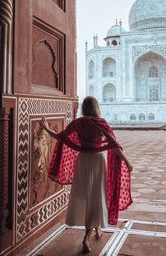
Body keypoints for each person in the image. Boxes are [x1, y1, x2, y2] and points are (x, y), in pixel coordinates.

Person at [41, 96, 132, 253]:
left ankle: (96, 228)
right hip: (97, 162)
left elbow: (60, 137)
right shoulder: (100, 123)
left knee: (88, 196)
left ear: (83, 108)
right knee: (95, 197)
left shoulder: (78, 123)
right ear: (96, 107)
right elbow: (113, 145)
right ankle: (86, 238)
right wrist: (127, 161)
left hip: (83, 162)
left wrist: (46, 128)